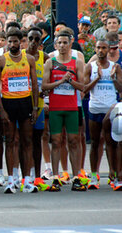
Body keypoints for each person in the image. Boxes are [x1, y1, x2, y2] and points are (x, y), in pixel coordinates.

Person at [0, 28, 39, 193]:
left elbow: (34, 84)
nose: (12, 44)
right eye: (9, 41)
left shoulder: (29, 59)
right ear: (6, 41)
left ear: (21, 41)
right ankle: (11, 180)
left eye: (15, 41)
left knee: (27, 141)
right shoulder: (1, 60)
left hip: (25, 103)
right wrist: (1, 109)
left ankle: (26, 180)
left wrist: (35, 108)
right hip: (9, 103)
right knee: (10, 141)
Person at [41, 30, 86, 191]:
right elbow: (44, 86)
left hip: (72, 108)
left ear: (70, 44)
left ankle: (76, 177)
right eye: (59, 43)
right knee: (56, 142)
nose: (62, 45)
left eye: (65, 43)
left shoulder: (77, 62)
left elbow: (83, 87)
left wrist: (71, 80)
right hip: (55, 109)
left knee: (74, 141)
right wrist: (60, 81)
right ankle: (54, 178)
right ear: (55, 45)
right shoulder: (50, 62)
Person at [83, 39, 122, 190]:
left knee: (112, 143)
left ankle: (115, 175)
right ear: (95, 49)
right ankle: (94, 176)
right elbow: (85, 89)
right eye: (98, 47)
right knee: (94, 142)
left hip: (111, 109)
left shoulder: (115, 67)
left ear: (108, 50)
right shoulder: (90, 66)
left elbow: (121, 89)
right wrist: (97, 78)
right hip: (95, 108)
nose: (101, 50)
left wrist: (112, 78)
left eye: (104, 48)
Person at [25, 27, 50, 191]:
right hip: (23, 103)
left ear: (41, 42)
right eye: (31, 38)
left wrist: (47, 90)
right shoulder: (20, 56)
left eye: (37, 39)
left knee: (37, 140)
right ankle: (24, 175)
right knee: (23, 140)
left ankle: (37, 176)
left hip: (39, 103)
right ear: (26, 39)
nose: (34, 42)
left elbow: (50, 77)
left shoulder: (45, 57)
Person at [102, 102, 122, 190]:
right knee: (117, 144)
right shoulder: (107, 120)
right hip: (114, 119)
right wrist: (111, 169)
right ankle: (118, 176)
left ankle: (120, 175)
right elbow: (109, 144)